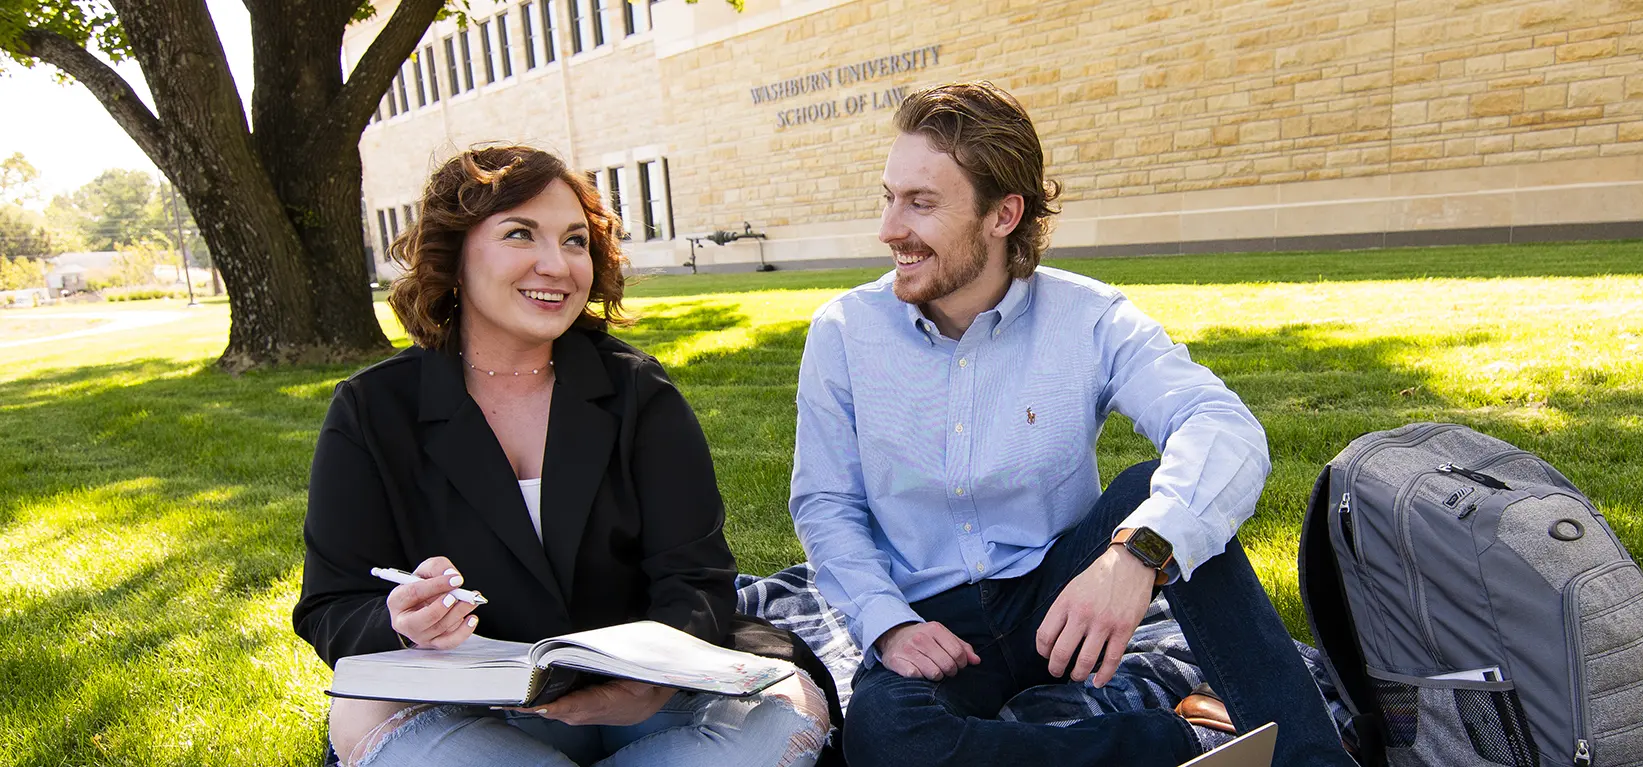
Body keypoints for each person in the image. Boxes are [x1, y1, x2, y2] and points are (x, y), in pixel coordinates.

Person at [787, 82, 1352, 767]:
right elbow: (826, 504)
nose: (889, 228)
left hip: (1061, 599)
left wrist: (1137, 553)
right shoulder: (844, 332)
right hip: (933, 625)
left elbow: (1222, 426)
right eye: (889, 196)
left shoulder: (1089, 317)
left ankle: (1309, 759)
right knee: (884, 737)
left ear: (1004, 214)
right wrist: (889, 623)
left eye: (921, 203)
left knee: (1167, 495)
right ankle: (1185, 744)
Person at [294, 145, 834, 767]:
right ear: (456, 253)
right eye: (521, 233)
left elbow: (695, 579)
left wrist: (646, 683)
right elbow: (329, 607)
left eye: (575, 240)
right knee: (365, 720)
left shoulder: (639, 393)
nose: (556, 265)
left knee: (778, 721)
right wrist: (399, 622)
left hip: (655, 699)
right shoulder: (370, 410)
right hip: (470, 708)